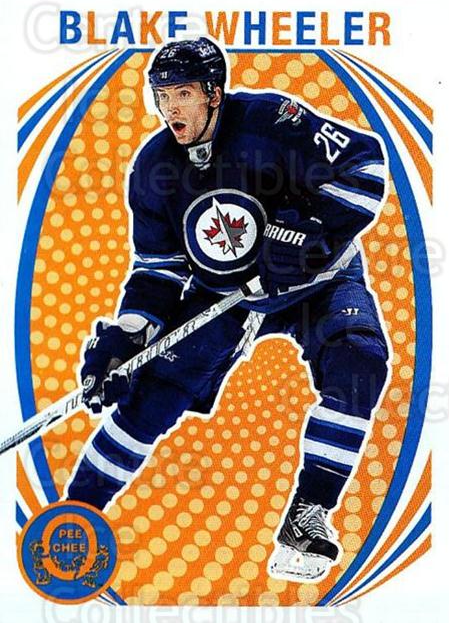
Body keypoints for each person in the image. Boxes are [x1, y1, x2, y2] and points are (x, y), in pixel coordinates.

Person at [65, 37, 389, 581]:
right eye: (161, 95)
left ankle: (308, 513)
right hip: (225, 296)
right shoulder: (153, 169)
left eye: (183, 94)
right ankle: (73, 521)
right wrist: (128, 334)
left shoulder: (272, 121)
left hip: (320, 281)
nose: (169, 108)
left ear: (214, 94)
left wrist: (313, 233)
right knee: (151, 392)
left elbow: (365, 166)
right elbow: (159, 271)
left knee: (359, 360)